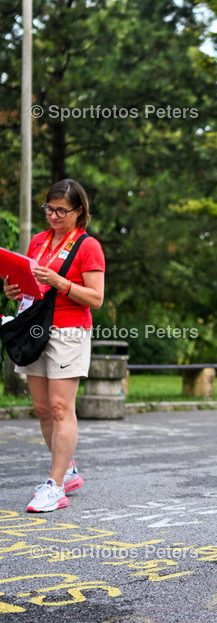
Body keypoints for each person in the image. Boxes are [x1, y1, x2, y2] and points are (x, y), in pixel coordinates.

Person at [2, 179, 105, 513]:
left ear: (79, 212)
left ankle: (56, 485)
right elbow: (31, 285)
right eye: (50, 209)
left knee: (61, 408)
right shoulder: (38, 241)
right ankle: (68, 469)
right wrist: (15, 291)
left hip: (69, 330)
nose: (55, 216)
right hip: (34, 328)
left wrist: (60, 282)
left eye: (63, 210)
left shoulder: (89, 246)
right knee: (43, 408)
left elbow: (96, 298)